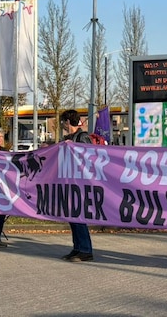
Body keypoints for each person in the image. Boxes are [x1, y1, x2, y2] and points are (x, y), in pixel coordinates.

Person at [58, 109, 95, 263]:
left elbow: (90, 155)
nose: (62, 125)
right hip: (71, 181)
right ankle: (78, 247)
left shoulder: (82, 137)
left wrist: (73, 146)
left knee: (79, 215)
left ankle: (86, 249)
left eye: (63, 122)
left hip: (81, 183)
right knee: (72, 215)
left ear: (67, 122)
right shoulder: (69, 138)